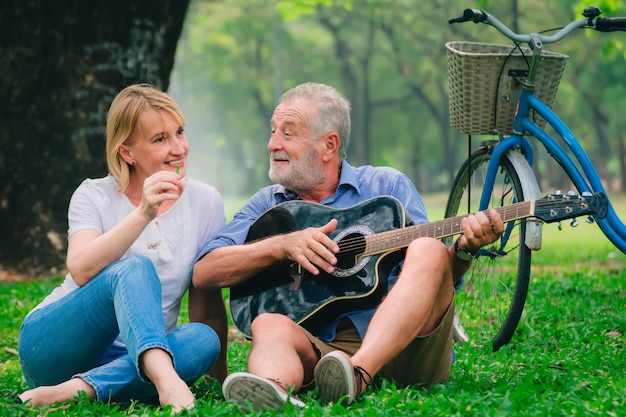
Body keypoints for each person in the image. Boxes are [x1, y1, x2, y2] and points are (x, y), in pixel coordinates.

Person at [192, 82, 504, 411]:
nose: (272, 144)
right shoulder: (267, 206)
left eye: (288, 132)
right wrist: (284, 245)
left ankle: (360, 373)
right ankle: (272, 391)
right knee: (266, 323)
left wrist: (464, 251)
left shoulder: (387, 186)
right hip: (323, 358)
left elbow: (437, 279)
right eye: (272, 132)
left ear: (329, 145)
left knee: (427, 248)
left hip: (407, 346)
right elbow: (205, 272)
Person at [16, 84, 227, 412]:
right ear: (127, 152)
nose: (178, 148)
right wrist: (144, 212)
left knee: (203, 340)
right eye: (160, 139)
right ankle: (166, 381)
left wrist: (217, 386)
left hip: (132, 357)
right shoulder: (93, 195)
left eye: (180, 132)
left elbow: (207, 300)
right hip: (55, 345)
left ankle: (75, 391)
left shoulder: (206, 202)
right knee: (134, 267)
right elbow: (81, 268)